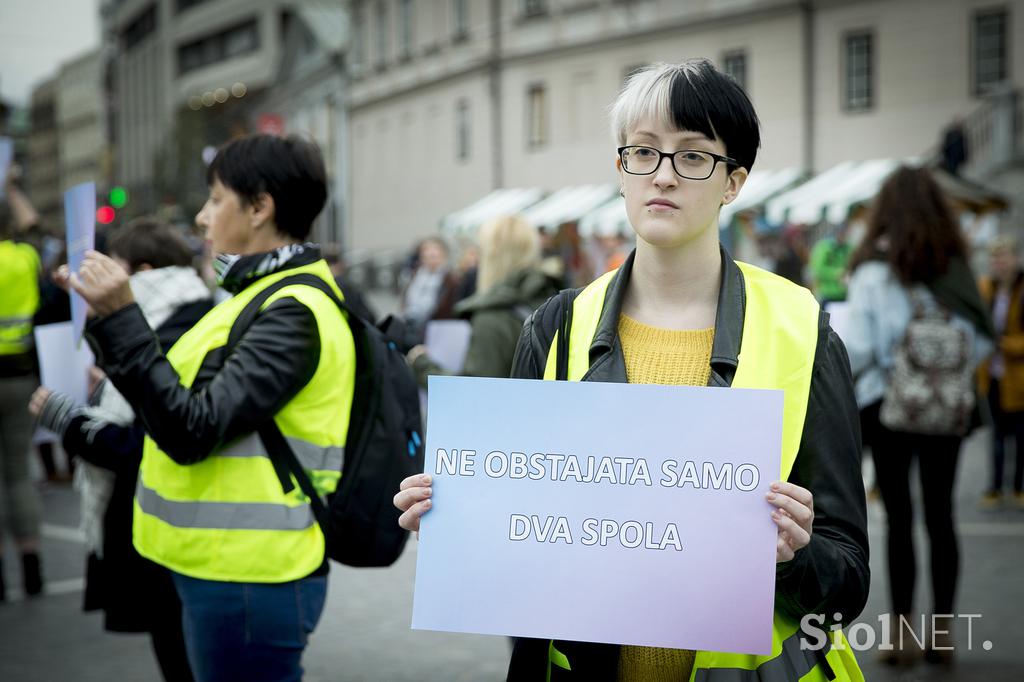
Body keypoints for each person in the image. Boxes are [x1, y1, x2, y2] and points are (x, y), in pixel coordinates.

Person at [396, 59, 869, 681]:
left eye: (693, 156)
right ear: (621, 171)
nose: (663, 176)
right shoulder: (556, 327)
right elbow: (523, 553)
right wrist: (460, 521)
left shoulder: (800, 329)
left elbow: (849, 578)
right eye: (643, 152)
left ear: (734, 182)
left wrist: (795, 557)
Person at [57, 134, 355, 682]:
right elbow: (170, 401)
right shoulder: (254, 298)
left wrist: (123, 319)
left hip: (247, 576)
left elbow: (192, 429)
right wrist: (108, 320)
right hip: (215, 567)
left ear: (260, 207)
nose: (201, 217)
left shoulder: (293, 310)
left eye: (216, 199)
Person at [29, 218, 210, 680]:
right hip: (179, 530)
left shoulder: (169, 330)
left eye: (115, 268)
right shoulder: (183, 313)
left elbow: (140, 443)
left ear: (142, 272)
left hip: (169, 530)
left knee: (181, 658)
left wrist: (67, 420)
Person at [845, 166, 993, 667]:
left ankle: (901, 636)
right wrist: (944, 374)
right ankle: (945, 634)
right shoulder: (954, 267)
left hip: (888, 409)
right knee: (941, 514)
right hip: (946, 410)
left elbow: (860, 349)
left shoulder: (870, 272)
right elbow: (982, 338)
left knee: (899, 520)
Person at [407, 214, 561, 384]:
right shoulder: (557, 302)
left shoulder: (493, 318)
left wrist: (422, 364)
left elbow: (475, 394)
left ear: (491, 256)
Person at [0, 180, 44, 601]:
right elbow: (34, 227)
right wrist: (12, 187)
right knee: (19, 474)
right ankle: (32, 567)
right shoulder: (25, 257)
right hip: (20, 376)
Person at [977, 234, 1024, 508]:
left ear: (1015, 259)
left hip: (1017, 377)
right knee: (996, 435)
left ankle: (1017, 486)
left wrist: (1004, 344)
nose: (1000, 263)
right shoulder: (988, 288)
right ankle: (994, 486)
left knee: (1020, 436)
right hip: (992, 375)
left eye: (1004, 256)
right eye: (995, 258)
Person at [401, 236, 460, 330]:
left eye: (434, 256)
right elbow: (406, 299)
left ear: (443, 256)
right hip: (411, 321)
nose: (431, 260)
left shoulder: (451, 280)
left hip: (438, 326)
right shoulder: (416, 275)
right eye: (427, 256)